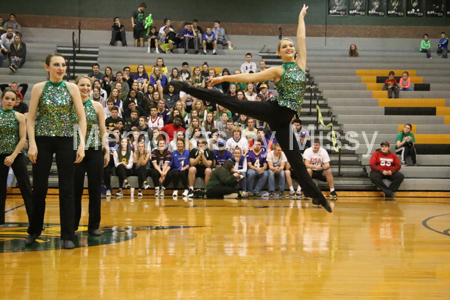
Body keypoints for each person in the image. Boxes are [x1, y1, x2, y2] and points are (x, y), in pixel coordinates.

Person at [171, 5, 331, 211]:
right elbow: (249, 77)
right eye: (285, 47)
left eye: (291, 46)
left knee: (296, 160)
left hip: (285, 121)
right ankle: (187, 87)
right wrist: (223, 78)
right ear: (279, 53)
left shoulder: (301, 64)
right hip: (275, 110)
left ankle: (316, 195)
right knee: (234, 103)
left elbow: (302, 38)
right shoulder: (277, 70)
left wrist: (301, 17)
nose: (290, 48)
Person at [25, 53, 87, 249]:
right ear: (47, 67)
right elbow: (31, 118)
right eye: (56, 65)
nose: (61, 68)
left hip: (66, 140)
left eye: (63, 65)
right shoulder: (38, 88)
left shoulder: (72, 88)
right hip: (42, 141)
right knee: (40, 188)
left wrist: (81, 144)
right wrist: (32, 143)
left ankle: (67, 235)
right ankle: (34, 230)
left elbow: (82, 118)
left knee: (67, 188)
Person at [73, 76, 109, 236]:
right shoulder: (70, 105)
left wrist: (106, 149)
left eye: (88, 85)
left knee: (94, 190)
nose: (85, 88)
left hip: (95, 150)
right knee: (75, 190)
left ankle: (93, 226)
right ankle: (72, 225)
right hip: (75, 151)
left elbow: (103, 129)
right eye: (82, 85)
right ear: (76, 86)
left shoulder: (97, 106)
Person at [0, 90, 32, 225]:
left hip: (16, 155)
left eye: (12, 99)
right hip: (0, 156)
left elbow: (23, 139)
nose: (9, 101)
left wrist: (12, 156)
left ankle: (35, 221)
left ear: (15, 101)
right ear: (2, 99)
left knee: (26, 187)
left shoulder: (19, 116)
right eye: (7, 98)